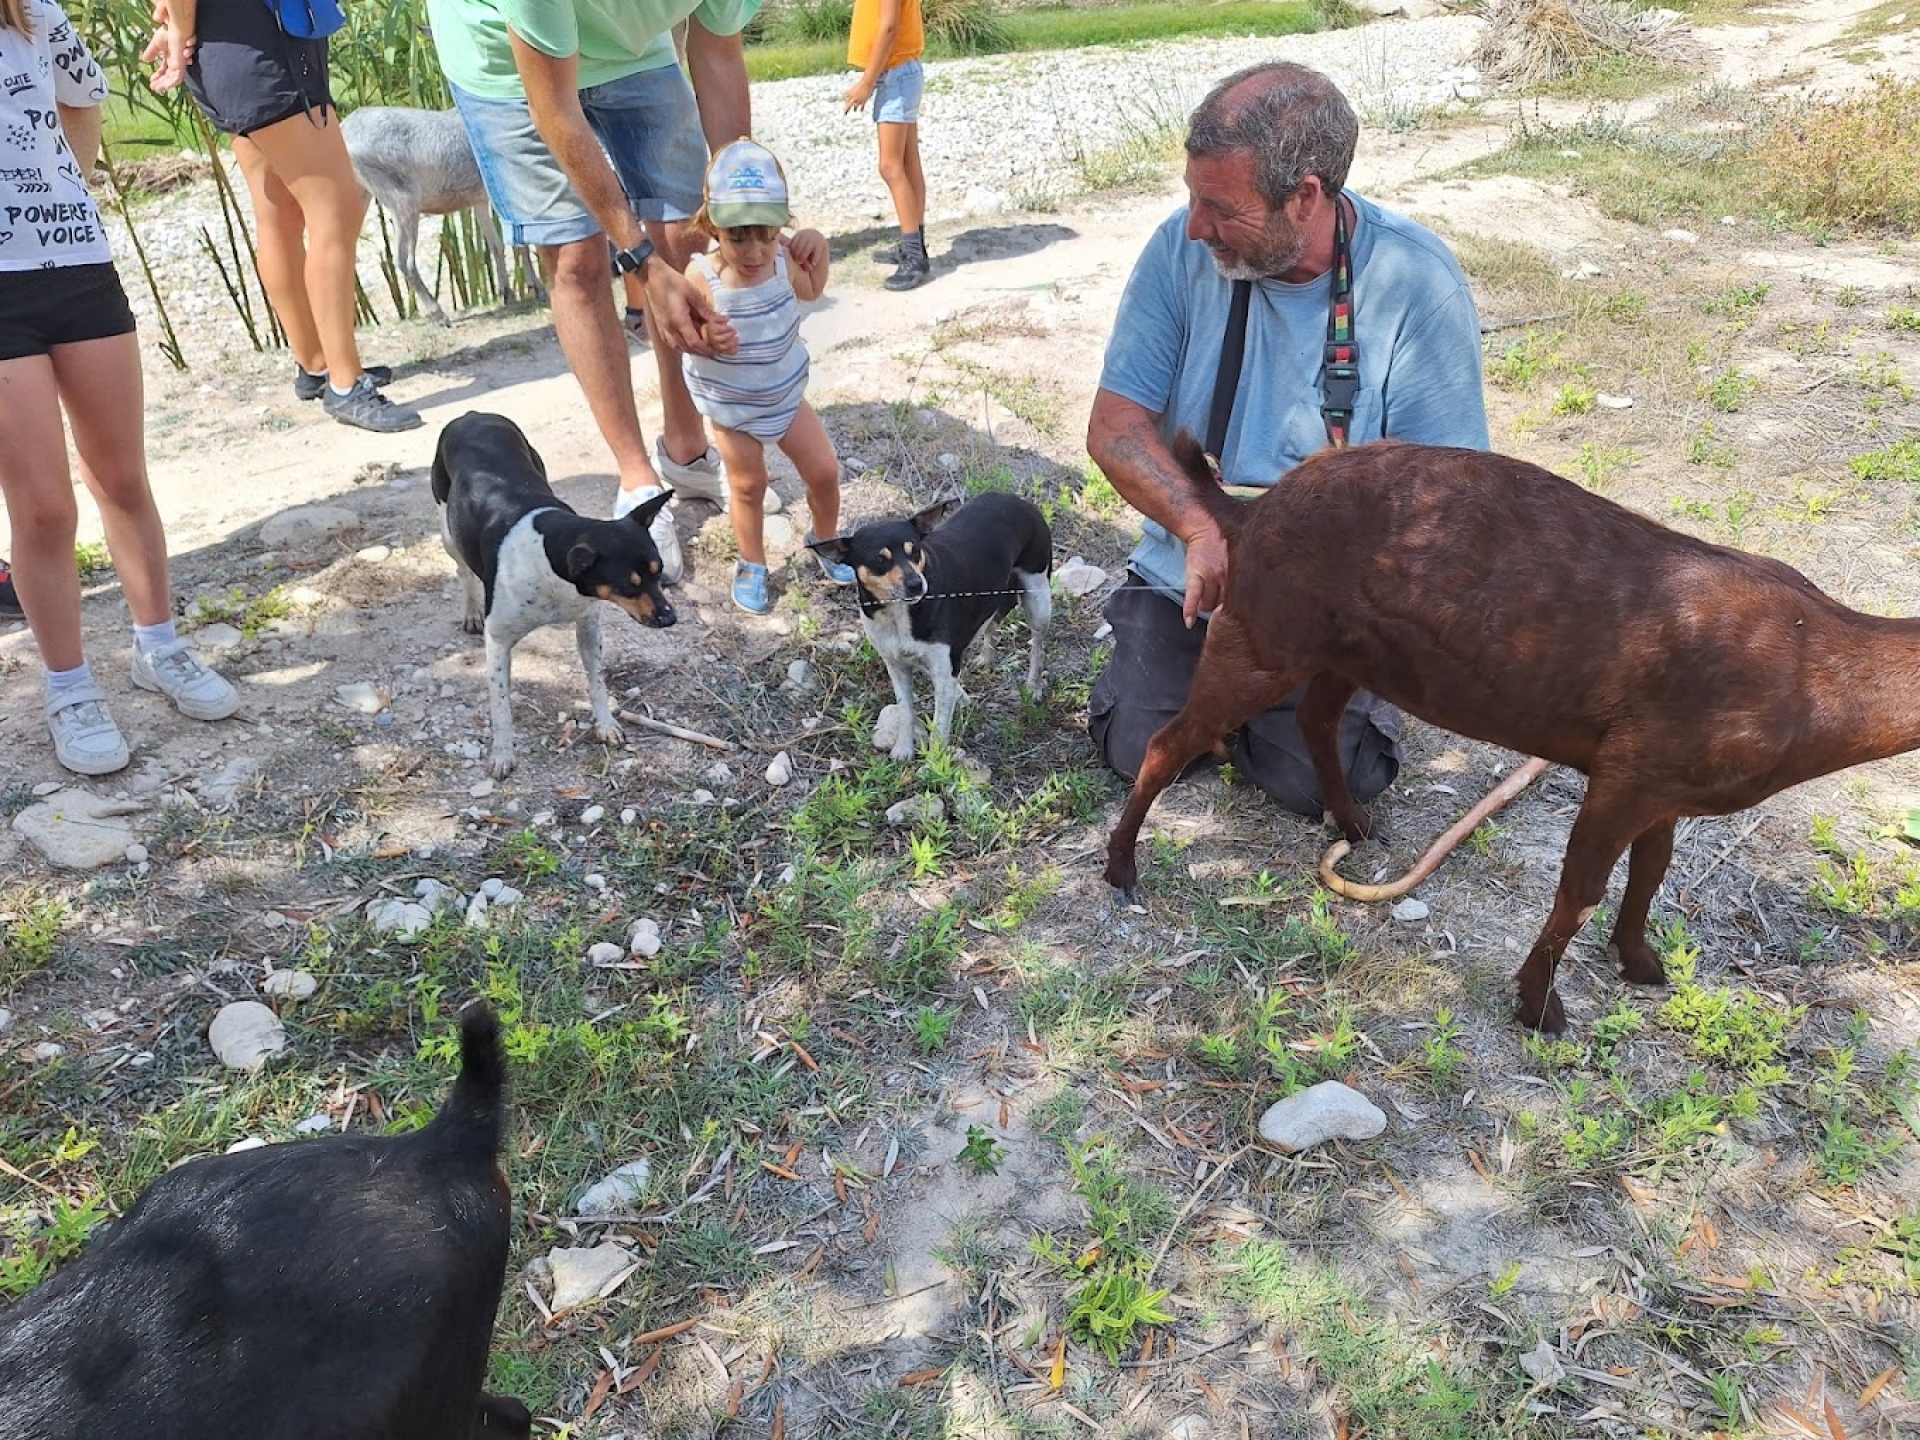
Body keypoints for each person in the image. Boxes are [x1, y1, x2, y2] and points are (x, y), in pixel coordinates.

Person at [1086, 61, 1489, 819]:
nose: (1196, 225)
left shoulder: (1416, 282)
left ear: (1305, 197)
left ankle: (1263, 716)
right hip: (1192, 580)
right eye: (1192, 197)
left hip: (1332, 601)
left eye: (1220, 208)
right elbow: (1115, 427)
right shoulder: (1181, 248)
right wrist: (1202, 530)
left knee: (1323, 779)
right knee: (1134, 746)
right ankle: (1236, 709)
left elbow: (1451, 505)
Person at [425, 0, 770, 583]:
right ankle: (636, 476)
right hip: (506, 62)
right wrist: (636, 261)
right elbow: (553, 108)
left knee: (683, 239)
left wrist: (745, 209)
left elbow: (717, 53)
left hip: (632, 53)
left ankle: (685, 450)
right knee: (578, 259)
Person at [1, 0, 238, 775]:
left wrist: (65, 192)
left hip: (75, 266)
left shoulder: (34, 14)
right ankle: (69, 686)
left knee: (121, 475)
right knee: (41, 505)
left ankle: (158, 646)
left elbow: (83, 94)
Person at [143, 0, 419, 432]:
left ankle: (316, 365)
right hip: (259, 47)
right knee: (336, 206)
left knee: (279, 210)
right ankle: (346, 384)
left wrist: (182, 28)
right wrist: (181, 30)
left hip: (236, 46)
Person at [680, 140, 850, 614]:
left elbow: (813, 290)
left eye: (766, 235)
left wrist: (820, 247)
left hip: (785, 396)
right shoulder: (703, 279)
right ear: (713, 225)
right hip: (734, 406)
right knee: (749, 484)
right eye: (738, 238)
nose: (754, 251)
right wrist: (704, 335)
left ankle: (826, 538)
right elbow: (680, 333)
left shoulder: (783, 262)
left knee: (824, 471)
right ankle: (752, 561)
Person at [843, 0, 928, 292]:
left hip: (896, 75)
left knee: (890, 166)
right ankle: (914, 244)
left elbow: (889, 25)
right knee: (907, 162)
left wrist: (867, 82)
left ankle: (914, 255)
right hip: (899, 71)